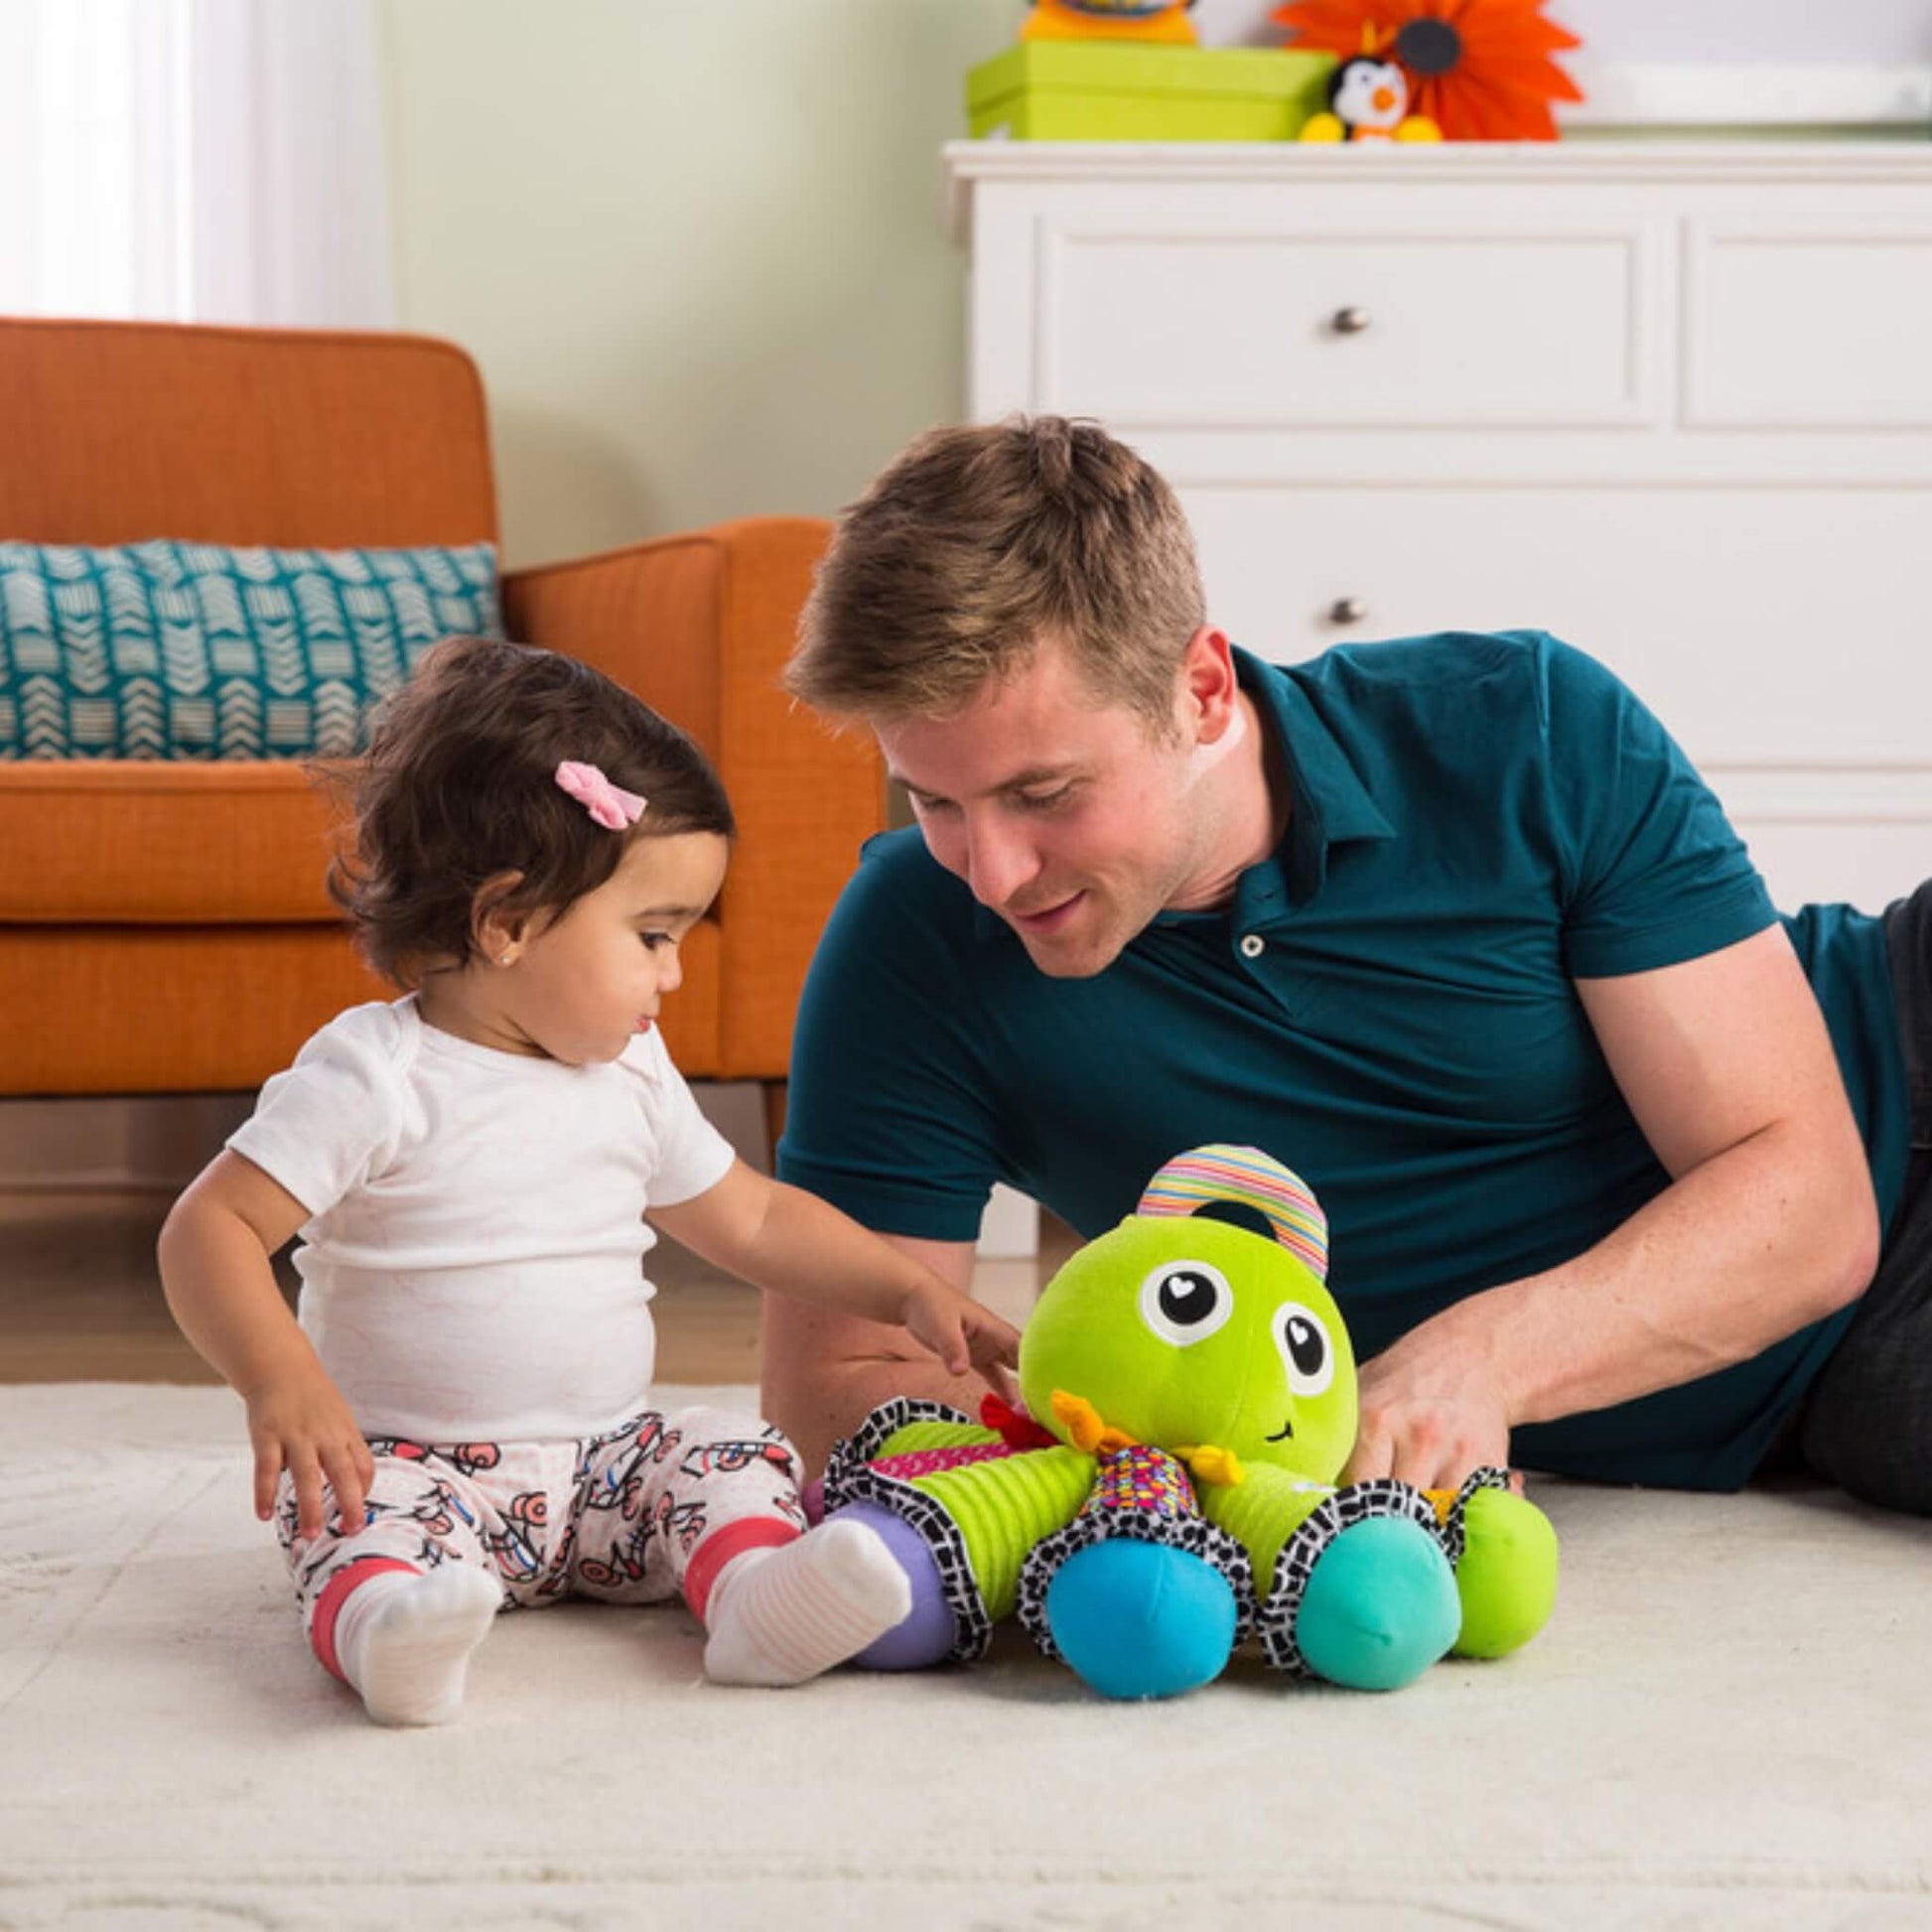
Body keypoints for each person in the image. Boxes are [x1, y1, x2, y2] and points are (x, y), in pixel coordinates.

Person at [764, 414, 1930, 1519]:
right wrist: (1150, 1484)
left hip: (1886, 1030)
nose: (995, 871)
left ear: (1201, 687)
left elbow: (1806, 1203)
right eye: (936, 801)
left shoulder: (1521, 725)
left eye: (1044, 793)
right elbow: (842, 1378)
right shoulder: (913, 945)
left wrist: (1475, 1360)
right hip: (1839, 1366)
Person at [158, 636, 1021, 1725]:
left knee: (724, 1452)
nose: (671, 972)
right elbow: (211, 1227)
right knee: (352, 1516)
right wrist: (278, 1375)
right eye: (653, 934)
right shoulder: (378, 1074)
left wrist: (904, 1289)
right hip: (415, 1469)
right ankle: (392, 1632)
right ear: (507, 920)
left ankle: (754, 1597)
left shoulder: (631, 1072)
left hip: (610, 1466)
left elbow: (749, 1213)